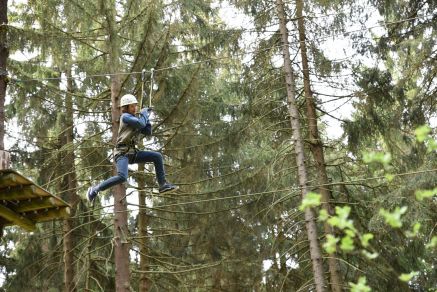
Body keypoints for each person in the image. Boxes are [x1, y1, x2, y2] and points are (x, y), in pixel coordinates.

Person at [87, 94, 178, 202]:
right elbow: (140, 124)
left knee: (157, 156)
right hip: (122, 153)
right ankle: (95, 189)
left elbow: (148, 132)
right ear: (125, 108)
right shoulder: (125, 117)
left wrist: (147, 117)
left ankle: (162, 185)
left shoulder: (134, 119)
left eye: (135, 106)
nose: (135, 108)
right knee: (122, 177)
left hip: (132, 153)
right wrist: (144, 114)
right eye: (132, 106)